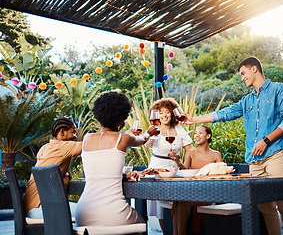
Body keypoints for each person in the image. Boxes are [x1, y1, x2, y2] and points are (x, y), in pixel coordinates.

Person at [184, 56, 283, 235]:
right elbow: (225, 113)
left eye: (243, 73)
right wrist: (194, 120)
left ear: (254, 69)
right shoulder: (247, 101)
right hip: (254, 160)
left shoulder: (280, 89)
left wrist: (266, 140)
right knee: (266, 208)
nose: (242, 77)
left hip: (276, 153)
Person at [75, 91, 158, 227]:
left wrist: (123, 176)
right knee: (142, 223)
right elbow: (142, 139)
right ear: (120, 120)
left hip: (83, 213)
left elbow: (102, 170)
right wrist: (149, 132)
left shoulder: (87, 138)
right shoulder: (123, 138)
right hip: (112, 213)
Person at [145, 97, 194, 232]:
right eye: (160, 112)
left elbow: (190, 148)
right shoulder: (154, 129)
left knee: (177, 203)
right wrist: (150, 135)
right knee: (160, 207)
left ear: (172, 113)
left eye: (167, 112)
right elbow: (147, 144)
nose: (164, 115)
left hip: (176, 169)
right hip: (158, 169)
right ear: (156, 115)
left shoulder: (178, 128)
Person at [23, 117, 82, 219]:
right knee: (87, 212)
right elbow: (90, 145)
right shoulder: (64, 146)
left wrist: (65, 177)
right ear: (62, 132)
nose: (75, 136)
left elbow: (49, 177)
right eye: (73, 132)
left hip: (28, 208)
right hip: (40, 209)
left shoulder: (45, 148)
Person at [170, 125, 222, 235]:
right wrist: (178, 162)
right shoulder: (190, 153)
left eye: (200, 133)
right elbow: (185, 170)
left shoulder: (216, 155)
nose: (196, 136)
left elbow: (220, 174)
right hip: (191, 191)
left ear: (208, 136)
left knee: (183, 199)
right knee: (181, 199)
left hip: (208, 192)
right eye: (195, 133)